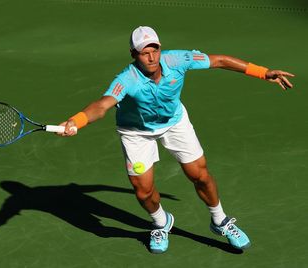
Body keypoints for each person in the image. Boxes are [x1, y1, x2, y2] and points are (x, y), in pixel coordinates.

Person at [57, 26, 294, 253]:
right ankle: (161, 223)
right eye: (144, 52)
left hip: (174, 123)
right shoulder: (126, 79)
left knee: (199, 175)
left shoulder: (178, 59)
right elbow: (102, 105)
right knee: (143, 191)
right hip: (136, 132)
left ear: (160, 49)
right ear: (133, 54)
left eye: (155, 50)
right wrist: (76, 120)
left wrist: (263, 72)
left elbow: (219, 60)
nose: (151, 57)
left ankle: (220, 221)